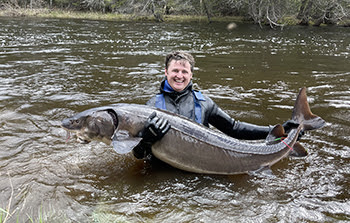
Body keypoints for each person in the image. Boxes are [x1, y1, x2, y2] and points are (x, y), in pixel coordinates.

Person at [133, 51, 298, 159]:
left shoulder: (203, 102)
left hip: (203, 169)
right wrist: (145, 141)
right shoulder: (151, 106)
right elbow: (138, 155)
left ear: (191, 75)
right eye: (175, 71)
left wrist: (274, 131)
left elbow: (234, 128)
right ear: (166, 72)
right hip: (164, 171)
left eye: (184, 72)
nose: (179, 76)